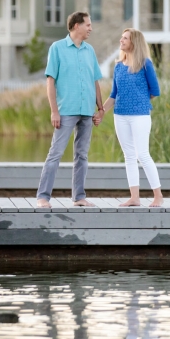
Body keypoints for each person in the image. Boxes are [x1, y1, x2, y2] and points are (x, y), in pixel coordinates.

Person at [36, 12, 104, 208]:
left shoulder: (89, 50)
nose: (91, 28)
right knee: (55, 153)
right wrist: (54, 111)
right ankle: (43, 196)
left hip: (86, 111)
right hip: (66, 110)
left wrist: (100, 109)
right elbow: (51, 82)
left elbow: (95, 81)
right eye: (88, 25)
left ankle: (79, 197)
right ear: (76, 26)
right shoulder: (57, 48)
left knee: (82, 155)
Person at [98, 29, 163, 207]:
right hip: (120, 115)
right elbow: (114, 94)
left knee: (143, 154)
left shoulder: (145, 64)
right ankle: (135, 197)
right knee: (129, 156)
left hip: (140, 116)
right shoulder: (118, 66)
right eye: (122, 37)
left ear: (134, 42)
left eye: (125, 38)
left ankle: (158, 196)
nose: (121, 40)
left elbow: (155, 91)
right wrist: (102, 111)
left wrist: (139, 101)